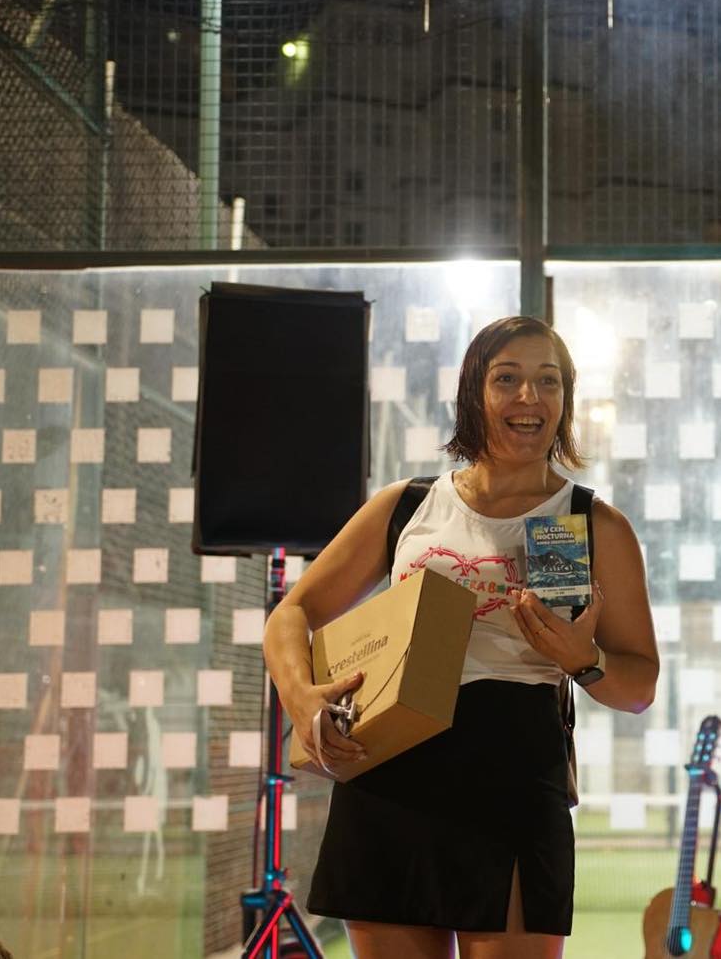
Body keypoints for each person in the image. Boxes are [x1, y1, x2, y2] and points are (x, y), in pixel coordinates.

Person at [263, 316, 659, 959]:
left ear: (566, 400)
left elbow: (639, 686)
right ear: (473, 392)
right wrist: (301, 697)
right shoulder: (407, 505)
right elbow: (293, 612)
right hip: (388, 770)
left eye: (548, 381)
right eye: (507, 378)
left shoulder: (592, 523)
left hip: (514, 776)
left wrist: (583, 661)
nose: (529, 397)